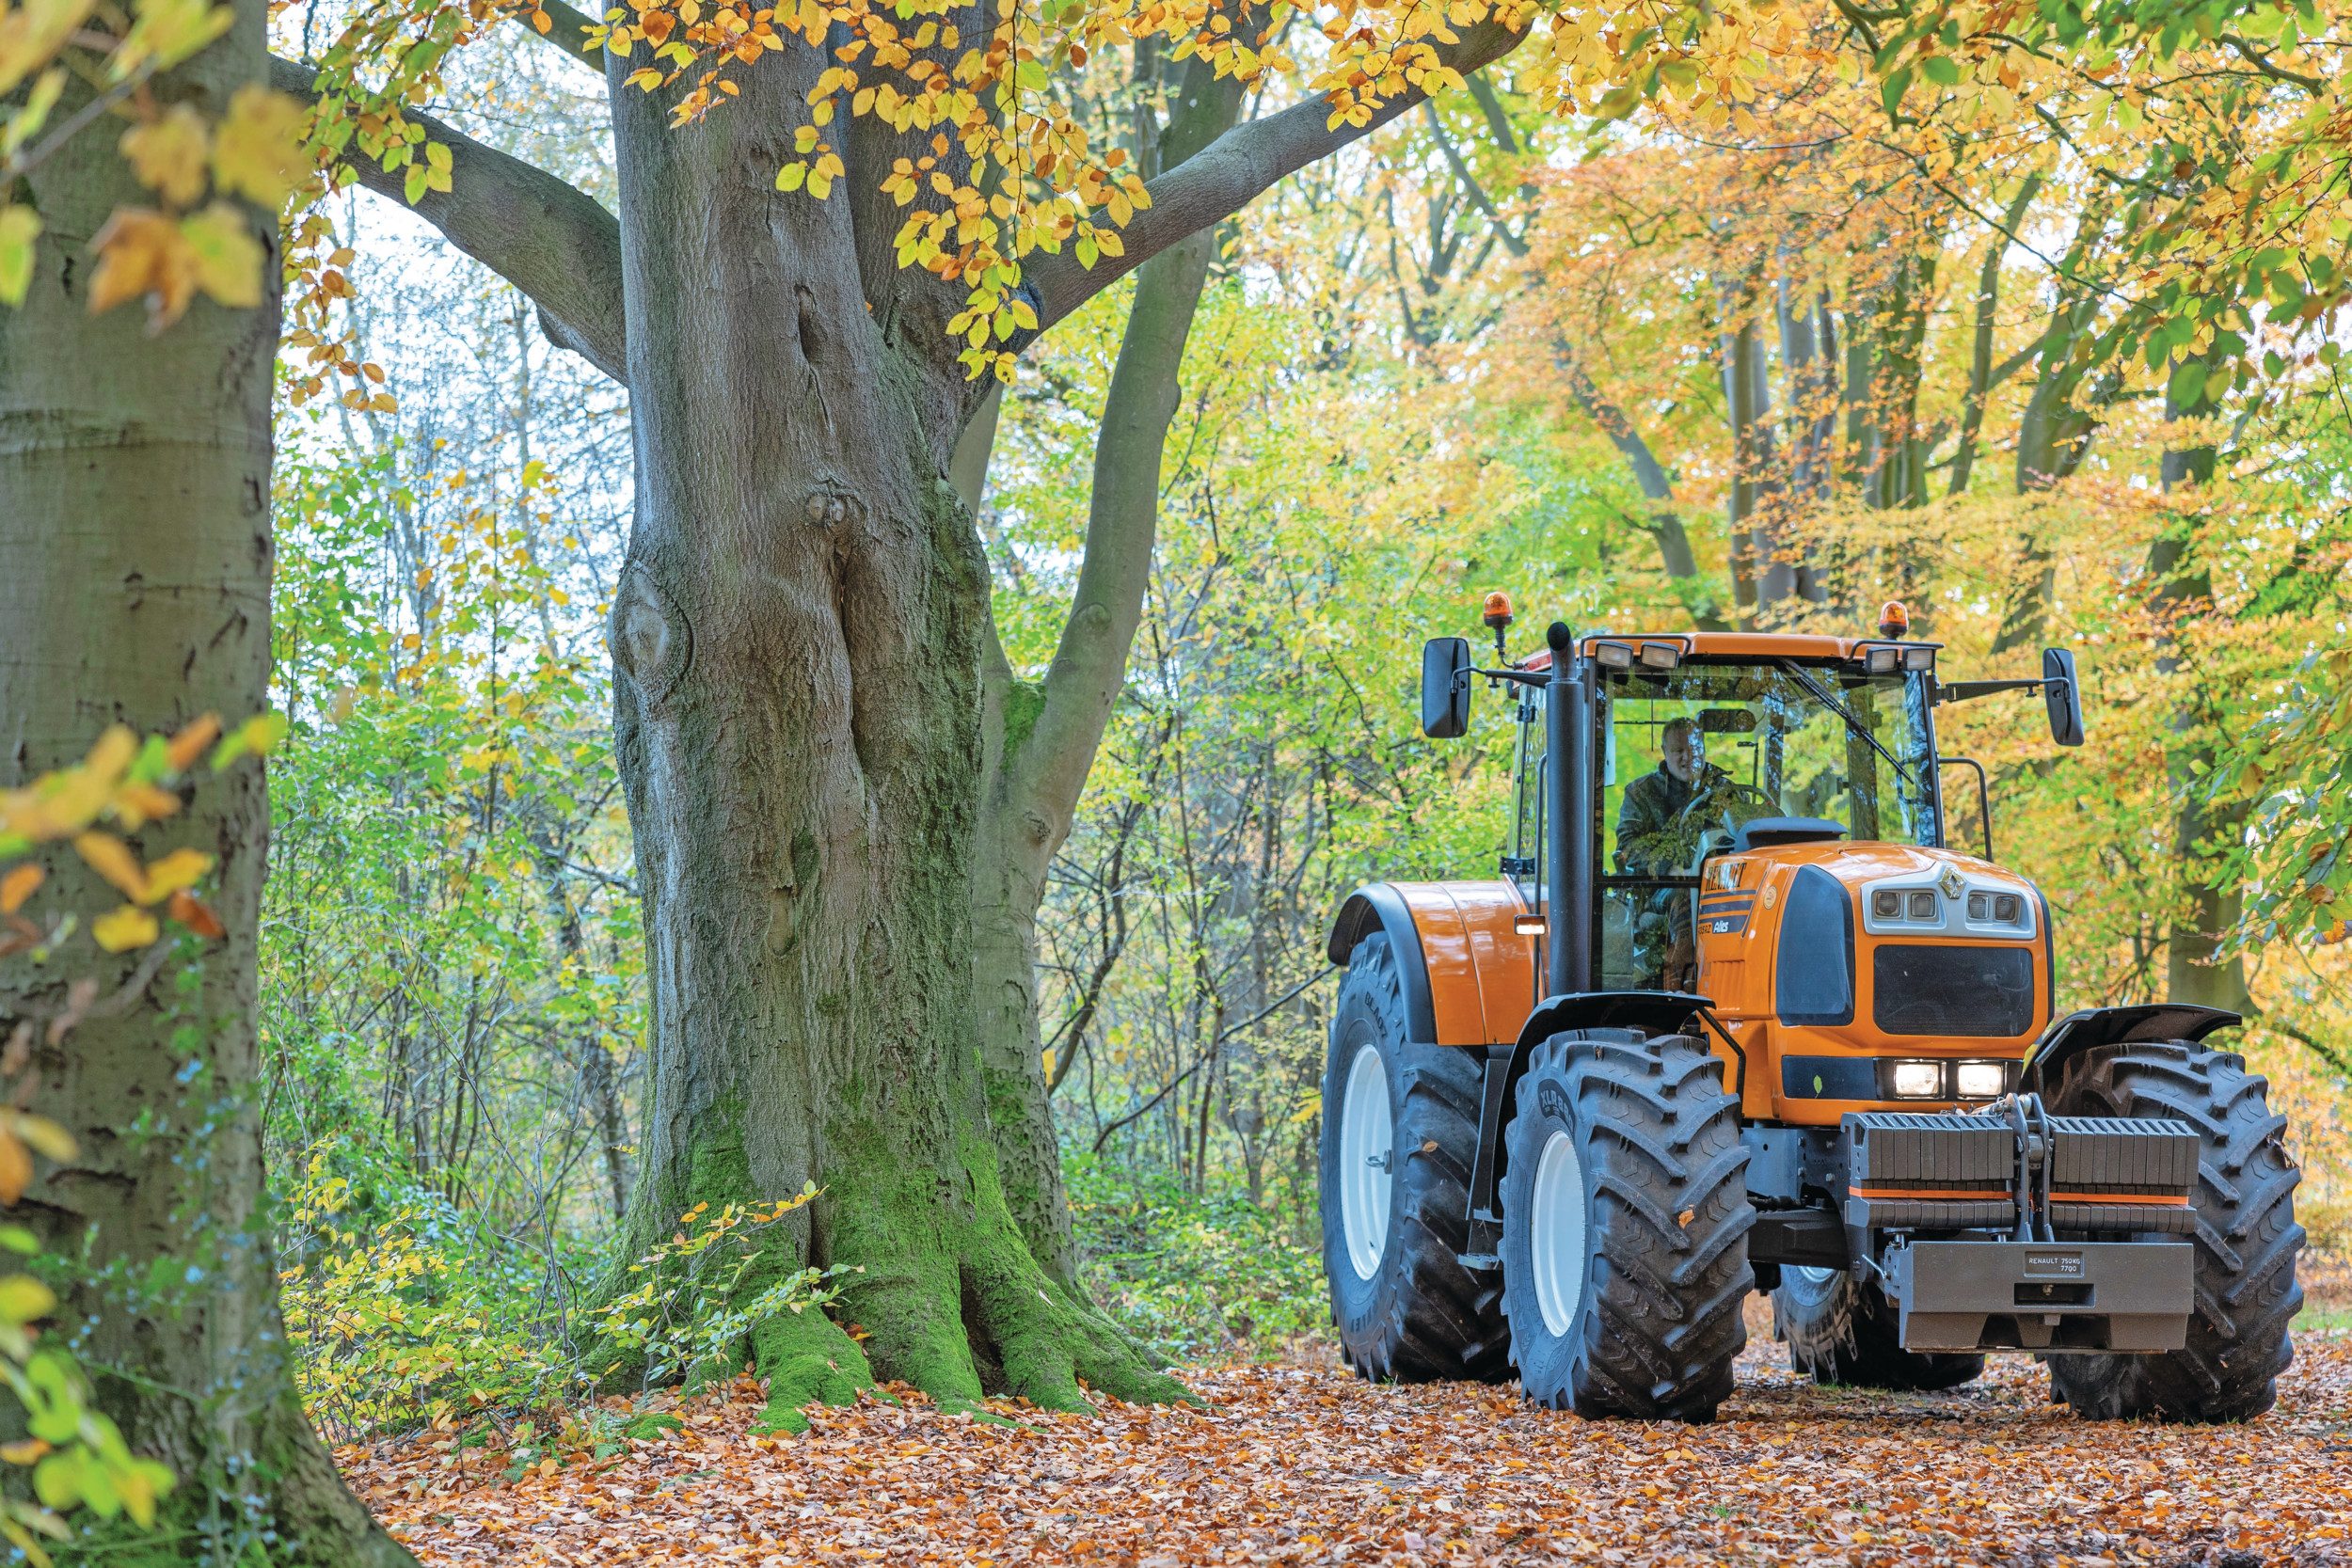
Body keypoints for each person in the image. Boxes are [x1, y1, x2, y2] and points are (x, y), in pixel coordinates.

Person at [1615, 717, 1732, 877]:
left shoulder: (1727, 790)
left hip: (1723, 883)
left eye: (1694, 749)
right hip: (1662, 886)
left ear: (1704, 748)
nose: (1688, 757)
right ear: (1665, 751)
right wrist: (1670, 870)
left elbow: (1746, 833)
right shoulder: (1641, 793)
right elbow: (1628, 846)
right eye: (1679, 750)